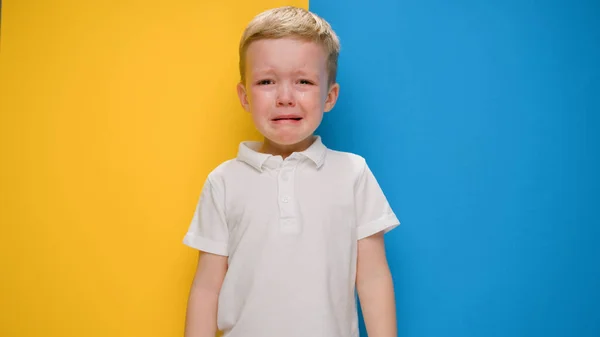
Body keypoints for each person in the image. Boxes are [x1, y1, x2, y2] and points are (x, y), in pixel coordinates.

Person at [182, 6, 400, 337]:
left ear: (329, 96)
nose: (285, 97)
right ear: (244, 97)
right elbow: (206, 289)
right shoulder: (223, 182)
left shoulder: (353, 173)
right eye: (267, 81)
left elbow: (372, 278)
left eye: (303, 81)